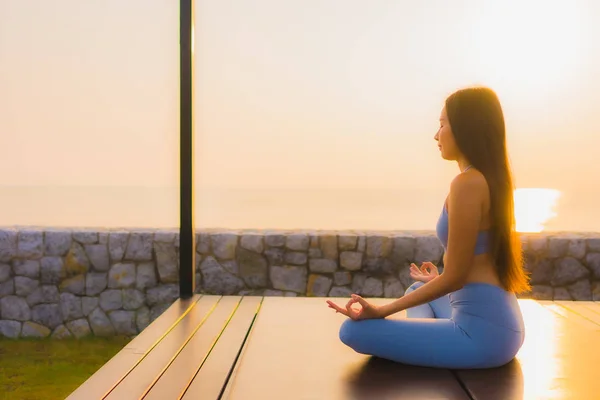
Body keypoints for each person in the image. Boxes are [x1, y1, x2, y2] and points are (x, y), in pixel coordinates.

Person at [326, 86, 530, 369]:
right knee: (414, 290)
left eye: (443, 124)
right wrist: (438, 281)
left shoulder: (467, 184)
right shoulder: (488, 180)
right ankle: (434, 338)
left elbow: (456, 277)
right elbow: (468, 270)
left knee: (352, 331)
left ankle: (438, 340)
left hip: (483, 337)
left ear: (465, 127)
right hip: (501, 325)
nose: (436, 134)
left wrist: (381, 311)